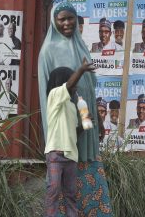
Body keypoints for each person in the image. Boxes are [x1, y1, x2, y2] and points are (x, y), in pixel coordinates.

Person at [38, 3, 112, 216]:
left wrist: (95, 119)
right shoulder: (48, 51)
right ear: (54, 21)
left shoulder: (81, 46)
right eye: (62, 19)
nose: (67, 23)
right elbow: (49, 95)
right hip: (63, 125)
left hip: (83, 118)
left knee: (86, 165)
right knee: (59, 184)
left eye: (71, 18)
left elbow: (88, 87)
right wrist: (53, 130)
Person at [44, 63, 95, 217]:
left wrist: (84, 126)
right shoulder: (54, 96)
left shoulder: (72, 106)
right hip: (56, 154)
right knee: (53, 193)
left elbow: (72, 132)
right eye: (74, 84)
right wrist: (81, 70)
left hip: (71, 156)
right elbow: (69, 85)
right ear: (62, 82)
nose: (75, 88)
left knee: (71, 195)